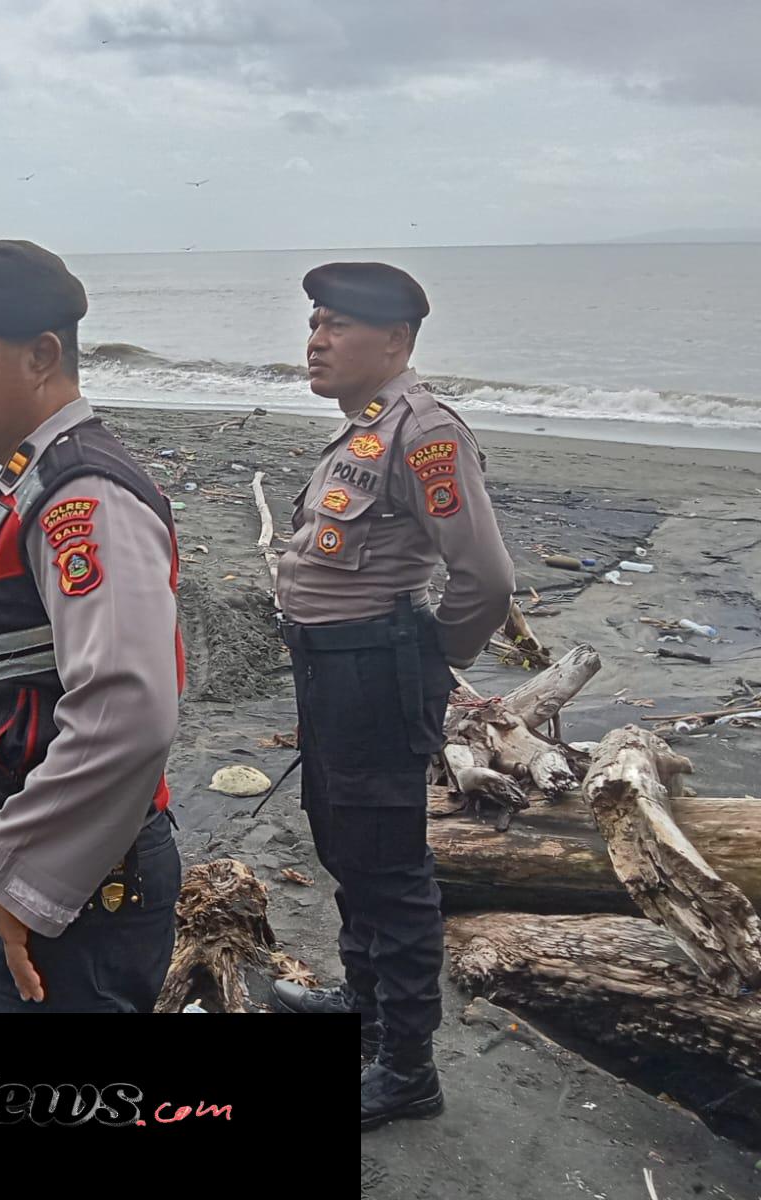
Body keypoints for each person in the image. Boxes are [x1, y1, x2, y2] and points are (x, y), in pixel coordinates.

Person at [270, 262, 515, 1130]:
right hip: (335, 669)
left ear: (398, 341)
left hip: (376, 671)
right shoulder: (367, 428)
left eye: (336, 325)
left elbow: (485, 579)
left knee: (391, 870)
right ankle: (362, 1010)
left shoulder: (426, 430)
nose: (316, 340)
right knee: (344, 845)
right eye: (313, 324)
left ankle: (407, 1066)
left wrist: (424, 660)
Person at [0, 239, 185, 1013]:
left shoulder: (83, 496)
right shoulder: (37, 476)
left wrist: (21, 873)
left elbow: (128, 712)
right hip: (57, 855)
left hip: (80, 872)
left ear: (42, 356)